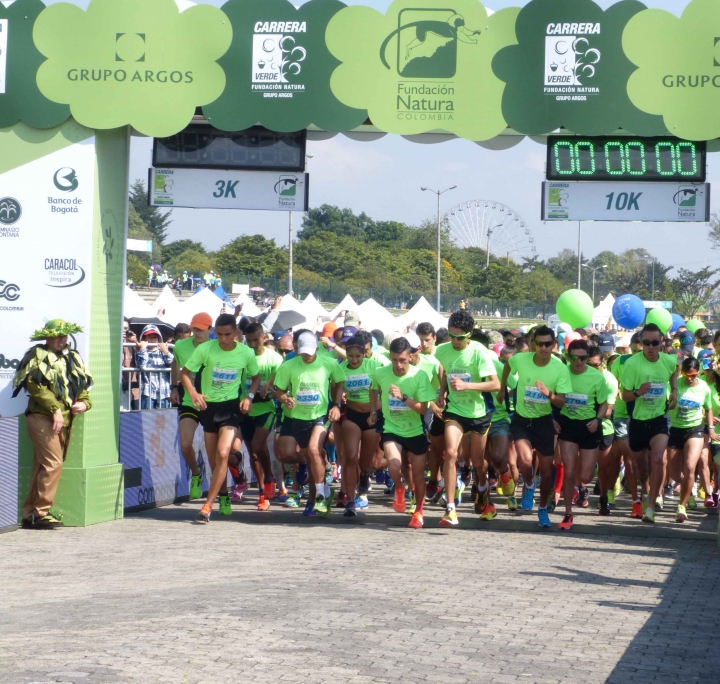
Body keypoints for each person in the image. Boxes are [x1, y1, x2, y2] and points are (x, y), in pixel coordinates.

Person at [180, 313, 261, 523]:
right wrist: (194, 394)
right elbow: (184, 373)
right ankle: (224, 495)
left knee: (223, 452)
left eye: (228, 334)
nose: (223, 339)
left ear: (236, 333)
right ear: (214, 331)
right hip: (209, 408)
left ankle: (207, 506)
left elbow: (256, 377)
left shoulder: (245, 353)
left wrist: (249, 397)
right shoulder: (205, 349)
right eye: (219, 334)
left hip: (231, 408)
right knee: (215, 462)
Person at [12, 320, 92, 529]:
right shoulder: (36, 355)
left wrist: (84, 402)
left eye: (65, 336)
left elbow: (80, 385)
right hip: (41, 417)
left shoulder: (72, 357)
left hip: (59, 419)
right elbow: (34, 385)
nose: (62, 339)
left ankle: (30, 514)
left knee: (42, 464)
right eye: (57, 336)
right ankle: (41, 512)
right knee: (53, 463)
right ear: (47, 337)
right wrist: (55, 409)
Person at [498, 325, 572, 528]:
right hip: (522, 419)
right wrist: (503, 389)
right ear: (533, 344)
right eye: (540, 344)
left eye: (548, 344)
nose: (544, 348)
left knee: (547, 471)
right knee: (524, 459)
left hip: (544, 421)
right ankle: (529, 484)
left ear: (554, 345)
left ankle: (542, 510)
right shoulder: (520, 359)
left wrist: (548, 393)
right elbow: (507, 365)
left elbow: (561, 402)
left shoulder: (559, 368)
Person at [435, 310, 503, 527]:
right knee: (451, 453)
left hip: (478, 413)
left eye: (460, 338)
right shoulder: (443, 350)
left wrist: (467, 385)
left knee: (478, 463)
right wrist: (442, 392)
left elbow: (495, 384)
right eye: (451, 336)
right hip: (455, 411)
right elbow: (445, 371)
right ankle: (451, 508)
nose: (455, 341)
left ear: (469, 334)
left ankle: (482, 488)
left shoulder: (479, 353)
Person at [274, 331, 345, 516]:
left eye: (310, 352)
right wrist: (284, 399)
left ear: (316, 349)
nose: (306, 356)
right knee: (309, 457)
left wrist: (336, 405)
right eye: (303, 352)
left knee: (314, 450)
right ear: (297, 349)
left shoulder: (328, 363)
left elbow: (340, 382)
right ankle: (327, 491)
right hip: (298, 417)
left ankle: (319, 496)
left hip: (320, 415)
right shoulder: (288, 366)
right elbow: (279, 391)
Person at [368, 337, 436, 528]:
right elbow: (373, 389)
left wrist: (403, 397)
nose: (398, 365)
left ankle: (419, 512)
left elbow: (423, 409)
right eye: (394, 360)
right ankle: (399, 487)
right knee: (394, 466)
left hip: (415, 431)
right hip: (392, 429)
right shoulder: (380, 373)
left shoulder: (419, 376)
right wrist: (374, 411)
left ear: (411, 356)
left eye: (403, 360)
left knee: (418, 475)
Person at [620, 323, 678, 524]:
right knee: (641, 467)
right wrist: (637, 392)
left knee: (657, 459)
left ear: (662, 342)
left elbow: (674, 372)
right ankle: (646, 491)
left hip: (659, 419)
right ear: (641, 343)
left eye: (655, 343)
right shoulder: (632, 365)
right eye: (647, 343)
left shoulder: (668, 361)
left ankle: (652, 505)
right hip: (637, 421)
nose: (651, 347)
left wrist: (675, 391)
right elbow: (624, 396)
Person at [556, 340, 609, 531]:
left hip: (590, 427)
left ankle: (582, 484)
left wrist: (598, 419)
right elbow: (554, 398)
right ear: (567, 356)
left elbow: (604, 403)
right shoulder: (561, 372)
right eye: (573, 357)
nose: (578, 362)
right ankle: (568, 513)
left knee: (585, 476)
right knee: (568, 471)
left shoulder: (596, 376)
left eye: (583, 358)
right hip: (568, 425)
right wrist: (554, 419)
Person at [339, 335, 387, 516]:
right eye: (350, 356)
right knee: (351, 457)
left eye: (358, 356)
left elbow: (387, 383)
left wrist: (380, 404)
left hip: (372, 417)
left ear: (364, 355)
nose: (354, 360)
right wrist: (339, 400)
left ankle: (365, 477)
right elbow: (336, 391)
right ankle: (350, 501)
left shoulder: (374, 367)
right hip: (351, 416)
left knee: (366, 462)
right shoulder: (341, 369)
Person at [170, 313, 213, 500]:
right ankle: (196, 474)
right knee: (186, 444)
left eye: (201, 330)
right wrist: (174, 387)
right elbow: (176, 364)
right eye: (194, 329)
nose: (197, 333)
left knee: (216, 452)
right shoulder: (181, 346)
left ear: (210, 330)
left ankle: (220, 489)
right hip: (189, 400)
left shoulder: (218, 347)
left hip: (213, 403)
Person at [242, 322, 284, 511]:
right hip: (245, 410)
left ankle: (269, 478)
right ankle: (262, 493)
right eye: (248, 340)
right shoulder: (242, 356)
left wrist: (270, 384)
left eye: (256, 340)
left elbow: (282, 383)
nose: (252, 344)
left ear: (264, 337)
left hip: (266, 409)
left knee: (259, 445)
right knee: (252, 452)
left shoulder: (274, 358)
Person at [667, 357, 713, 522]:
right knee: (674, 473)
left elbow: (708, 409)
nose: (690, 378)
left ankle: (682, 506)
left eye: (694, 375)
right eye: (687, 374)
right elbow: (666, 402)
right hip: (675, 429)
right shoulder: (675, 385)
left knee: (689, 466)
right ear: (683, 372)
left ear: (698, 373)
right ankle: (688, 486)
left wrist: (711, 428)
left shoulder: (704, 388)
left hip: (695, 429)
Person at [136, 325, 174, 409]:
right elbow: (141, 365)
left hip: (164, 391)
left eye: (155, 337)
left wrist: (166, 352)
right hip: (147, 392)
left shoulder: (162, 351)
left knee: (164, 419)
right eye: (149, 337)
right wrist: (142, 349)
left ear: (159, 338)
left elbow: (172, 363)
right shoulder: (140, 352)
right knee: (147, 419)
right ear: (144, 339)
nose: (152, 339)